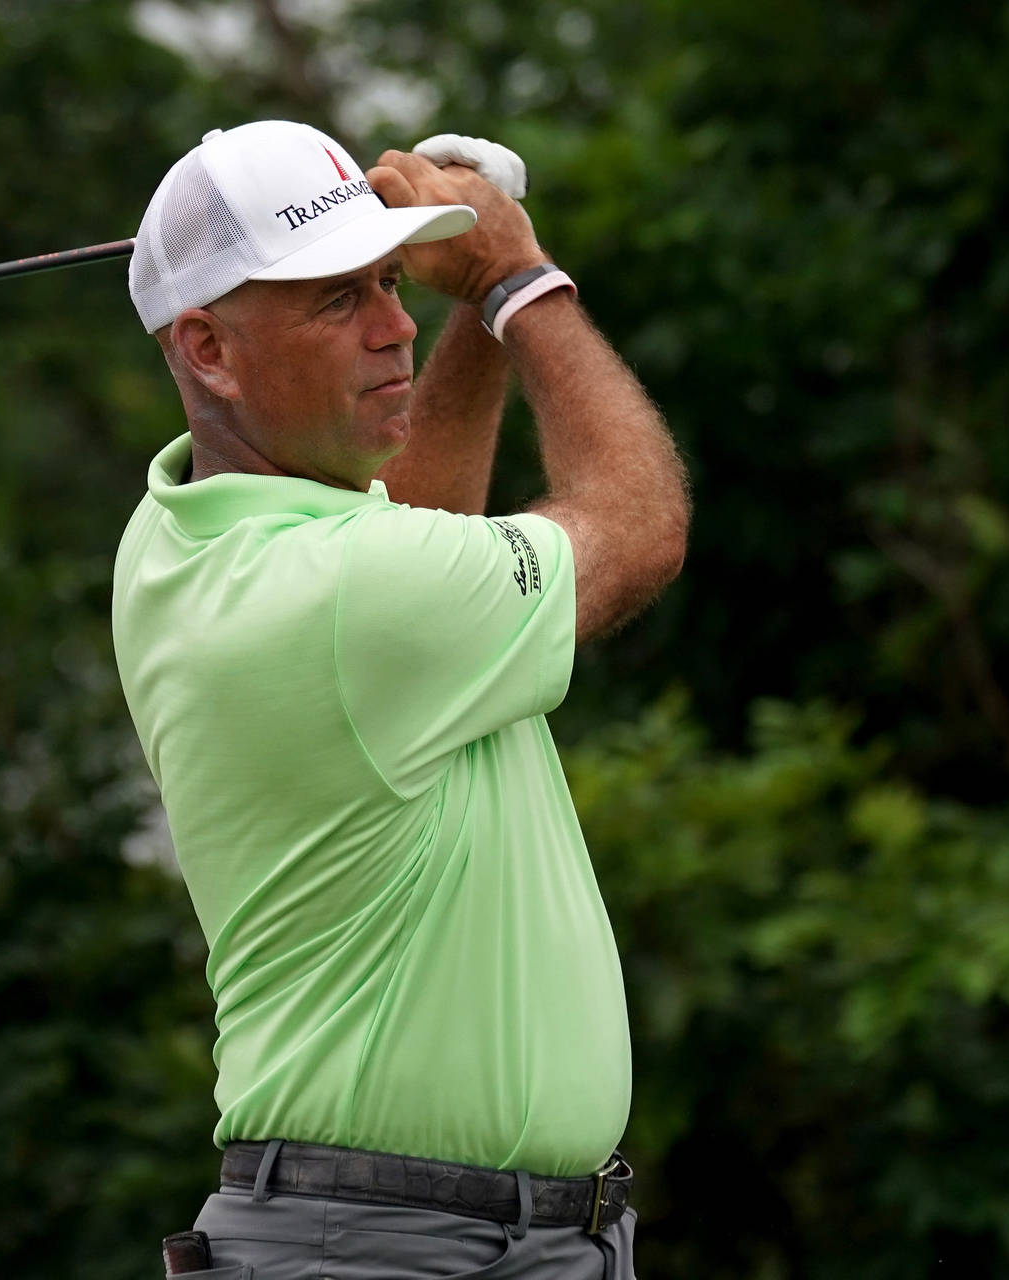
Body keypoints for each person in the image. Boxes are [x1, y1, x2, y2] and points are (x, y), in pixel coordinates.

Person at [112, 119, 690, 1280]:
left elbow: (412, 515)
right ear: (210, 351)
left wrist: (473, 312)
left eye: (392, 280)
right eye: (337, 301)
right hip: (385, 1247)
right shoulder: (333, 592)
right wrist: (519, 279)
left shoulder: (177, 537)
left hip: (485, 1237)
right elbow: (637, 529)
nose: (394, 325)